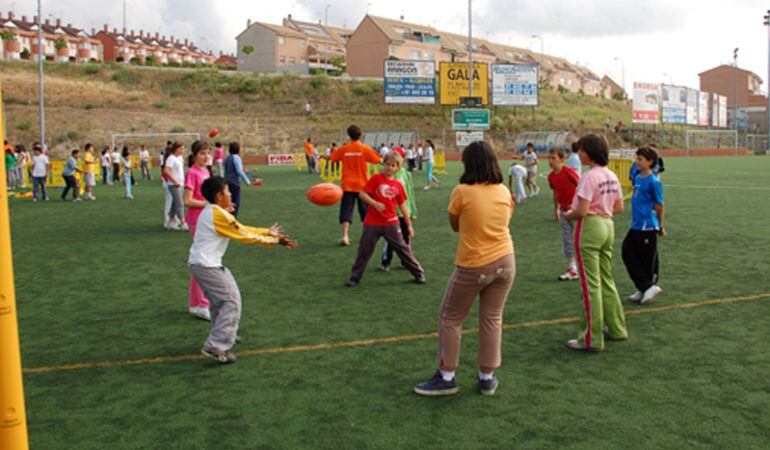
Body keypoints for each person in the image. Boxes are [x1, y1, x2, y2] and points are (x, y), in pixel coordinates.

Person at [414, 141, 515, 397]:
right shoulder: (503, 191)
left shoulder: (462, 191)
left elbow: (455, 224)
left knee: (450, 317)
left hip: (475, 263)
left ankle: (447, 375)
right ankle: (487, 376)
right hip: (506, 260)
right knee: (492, 318)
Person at [192, 176, 296, 364]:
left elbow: (240, 228)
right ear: (219, 196)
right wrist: (274, 240)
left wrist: (266, 232)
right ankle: (216, 345)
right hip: (206, 265)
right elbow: (243, 235)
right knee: (231, 301)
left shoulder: (215, 212)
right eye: (227, 191)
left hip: (206, 264)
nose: (231, 194)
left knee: (221, 302)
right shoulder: (218, 214)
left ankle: (225, 334)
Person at [563, 133, 627, 352]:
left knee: (590, 284)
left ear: (589, 153)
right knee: (606, 278)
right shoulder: (611, 175)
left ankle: (590, 338)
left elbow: (581, 210)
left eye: (582, 150)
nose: (579, 154)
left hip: (590, 226)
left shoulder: (589, 177)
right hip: (608, 225)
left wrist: (567, 215)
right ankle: (617, 328)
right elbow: (619, 207)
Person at [346, 151, 425, 287]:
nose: (389, 167)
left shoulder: (398, 185)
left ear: (397, 168)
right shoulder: (376, 179)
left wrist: (409, 225)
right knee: (364, 250)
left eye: (393, 165)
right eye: (387, 164)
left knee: (403, 249)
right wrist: (375, 203)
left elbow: (403, 206)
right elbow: (362, 194)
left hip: (391, 223)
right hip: (372, 223)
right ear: (384, 164)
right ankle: (354, 277)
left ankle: (418, 273)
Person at [622, 146, 666, 305]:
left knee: (646, 258)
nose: (637, 162)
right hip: (636, 224)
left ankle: (648, 286)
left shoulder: (653, 181)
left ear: (650, 162)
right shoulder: (638, 178)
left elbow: (660, 205)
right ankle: (644, 287)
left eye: (640, 159)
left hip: (647, 225)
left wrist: (660, 226)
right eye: (637, 158)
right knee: (628, 252)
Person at [329, 125, 382, 246]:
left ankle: (345, 236)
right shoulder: (364, 148)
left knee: (346, 211)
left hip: (348, 185)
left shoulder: (344, 149)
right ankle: (369, 235)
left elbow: (333, 158)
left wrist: (324, 156)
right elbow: (379, 160)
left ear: (349, 136)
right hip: (362, 186)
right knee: (366, 212)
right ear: (360, 135)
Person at [184, 140, 213, 320]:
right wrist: (207, 203)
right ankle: (202, 304)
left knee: (200, 261)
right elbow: (187, 200)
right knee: (203, 261)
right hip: (196, 220)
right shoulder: (192, 173)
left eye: (207, 152)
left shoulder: (206, 171)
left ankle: (195, 303)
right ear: (194, 155)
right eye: (202, 153)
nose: (205, 156)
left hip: (206, 220)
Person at [380, 150, 417, 272]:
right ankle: (386, 261)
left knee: (405, 238)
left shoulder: (407, 175)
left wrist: (412, 211)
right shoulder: (389, 175)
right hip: (392, 213)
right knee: (391, 239)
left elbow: (410, 194)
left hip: (405, 211)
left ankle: (405, 261)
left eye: (401, 157)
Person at [547, 146, 581, 281]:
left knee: (581, 239)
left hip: (577, 211)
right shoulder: (551, 177)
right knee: (567, 240)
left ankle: (584, 267)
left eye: (553, 158)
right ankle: (573, 268)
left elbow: (581, 187)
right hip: (564, 212)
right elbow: (555, 192)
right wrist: (556, 208)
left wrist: (577, 205)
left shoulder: (569, 172)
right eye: (549, 158)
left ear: (562, 159)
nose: (550, 161)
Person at [163, 142, 188, 231]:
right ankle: (183, 223)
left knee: (174, 204)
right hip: (173, 185)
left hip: (180, 184)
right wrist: (174, 181)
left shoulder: (179, 158)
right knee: (180, 203)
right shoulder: (171, 158)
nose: (182, 150)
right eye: (180, 148)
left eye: (183, 148)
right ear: (175, 149)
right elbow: (166, 170)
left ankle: (170, 222)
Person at [224, 141, 251, 218]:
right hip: (235, 183)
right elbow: (239, 171)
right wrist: (247, 181)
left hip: (227, 182)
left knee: (228, 202)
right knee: (236, 203)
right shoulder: (236, 158)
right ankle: (233, 220)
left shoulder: (227, 158)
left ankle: (227, 218)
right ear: (238, 150)